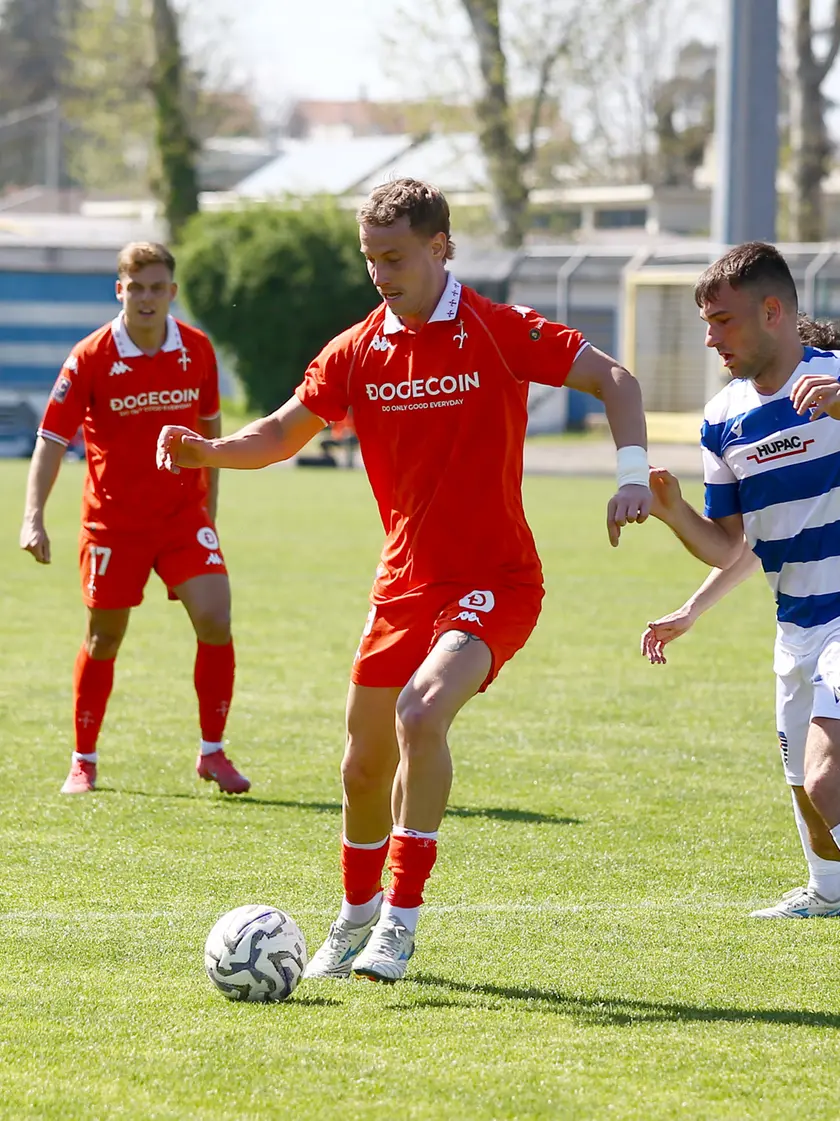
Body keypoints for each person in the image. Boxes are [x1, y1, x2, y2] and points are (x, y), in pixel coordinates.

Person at [157, 177, 651, 982]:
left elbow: (617, 381)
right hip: (402, 585)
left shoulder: (496, 330)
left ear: (440, 248)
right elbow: (286, 428)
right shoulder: (357, 348)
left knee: (423, 712)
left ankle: (401, 918)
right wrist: (210, 451)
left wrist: (632, 472)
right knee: (360, 766)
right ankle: (352, 917)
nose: (381, 273)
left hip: (495, 579)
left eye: (395, 257)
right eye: (370, 259)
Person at [642, 243, 840, 919]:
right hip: (796, 624)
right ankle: (826, 893)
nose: (710, 337)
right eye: (706, 322)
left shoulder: (837, 378)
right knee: (806, 788)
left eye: (723, 320)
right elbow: (731, 544)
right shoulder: (723, 419)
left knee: (826, 777)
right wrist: (674, 515)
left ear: (773, 310)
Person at [20, 241, 249, 797]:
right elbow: (51, 440)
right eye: (136, 287)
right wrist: (33, 517)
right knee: (104, 637)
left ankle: (213, 753)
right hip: (113, 523)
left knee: (216, 619)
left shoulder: (196, 350)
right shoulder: (91, 356)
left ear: (172, 292)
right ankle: (84, 759)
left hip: (181, 518)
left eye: (157, 287)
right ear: (120, 290)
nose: (146, 298)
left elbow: (210, 439)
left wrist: (208, 516)